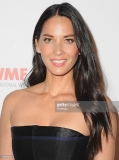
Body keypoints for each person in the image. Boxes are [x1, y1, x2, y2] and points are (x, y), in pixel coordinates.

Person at [0, 2, 117, 160]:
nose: (58, 51)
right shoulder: (13, 101)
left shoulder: (97, 106)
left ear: (80, 46)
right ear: (37, 45)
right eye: (49, 40)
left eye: (68, 40)